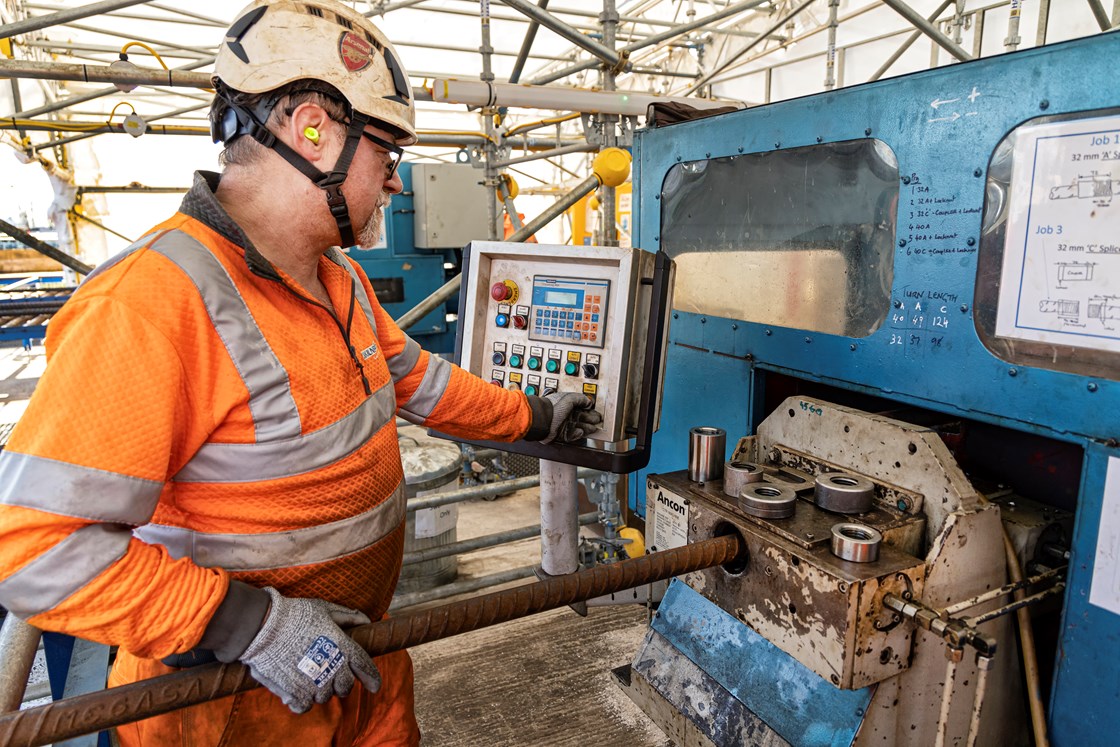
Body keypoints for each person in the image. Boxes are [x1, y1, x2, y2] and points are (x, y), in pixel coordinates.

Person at [0, 1, 600, 744]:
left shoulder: (334, 277)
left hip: (354, 668)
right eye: (388, 152)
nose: (394, 183)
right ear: (311, 129)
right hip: (225, 704)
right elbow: (34, 547)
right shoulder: (154, 300)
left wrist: (539, 418)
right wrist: (252, 624)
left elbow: (421, 382)